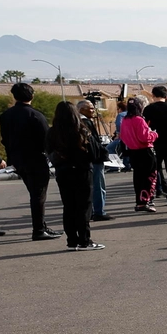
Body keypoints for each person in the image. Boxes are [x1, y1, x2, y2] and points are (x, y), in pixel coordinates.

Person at [1, 83, 56, 239]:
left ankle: (41, 226)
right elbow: (47, 139)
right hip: (35, 159)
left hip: (18, 159)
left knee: (34, 193)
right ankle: (38, 229)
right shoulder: (35, 115)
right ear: (32, 95)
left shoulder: (6, 115)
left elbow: (5, 139)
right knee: (38, 195)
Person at [46, 101, 101, 250]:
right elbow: (94, 153)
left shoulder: (52, 132)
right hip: (82, 171)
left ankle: (72, 240)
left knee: (69, 206)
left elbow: (49, 152)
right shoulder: (81, 130)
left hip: (63, 172)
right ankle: (84, 240)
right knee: (84, 207)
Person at [118, 98, 160, 213]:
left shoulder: (125, 120)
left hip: (133, 152)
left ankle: (140, 201)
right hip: (145, 151)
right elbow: (144, 137)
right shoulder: (139, 120)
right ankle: (146, 201)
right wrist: (154, 134)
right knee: (149, 177)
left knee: (138, 178)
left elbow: (122, 136)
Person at [142, 86, 167, 207]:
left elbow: (146, 126)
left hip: (155, 142)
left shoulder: (148, 109)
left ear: (153, 95)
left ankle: (153, 194)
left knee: (153, 170)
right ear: (166, 95)